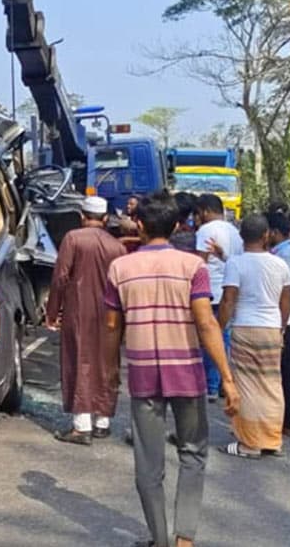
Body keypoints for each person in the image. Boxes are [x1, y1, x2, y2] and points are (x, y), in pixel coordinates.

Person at [103, 192, 238, 547]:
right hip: (188, 375)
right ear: (177, 225)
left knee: (148, 465)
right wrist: (227, 377)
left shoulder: (120, 268)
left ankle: (159, 539)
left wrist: (110, 371)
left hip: (143, 375)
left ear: (141, 226)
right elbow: (207, 323)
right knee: (193, 453)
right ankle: (185, 539)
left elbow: (112, 327)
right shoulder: (193, 267)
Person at [46, 196, 128, 445]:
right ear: (105, 219)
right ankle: (102, 422)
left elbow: (60, 276)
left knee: (80, 359)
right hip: (111, 314)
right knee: (107, 362)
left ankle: (82, 426)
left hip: (79, 310)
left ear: (82, 216)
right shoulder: (118, 246)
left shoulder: (73, 239)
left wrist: (52, 311)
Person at [216, 215, 290, 459]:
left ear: (241, 237)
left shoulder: (236, 264)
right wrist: (280, 328)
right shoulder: (280, 265)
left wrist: (218, 327)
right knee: (271, 384)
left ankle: (249, 443)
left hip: (245, 327)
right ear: (266, 235)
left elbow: (228, 301)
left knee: (247, 385)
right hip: (271, 329)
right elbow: (286, 301)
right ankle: (272, 440)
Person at [194, 193, 243, 401]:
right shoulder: (235, 231)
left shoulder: (206, 230)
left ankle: (211, 384)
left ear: (205, 211)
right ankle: (224, 381)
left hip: (210, 290)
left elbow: (199, 263)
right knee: (225, 336)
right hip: (230, 288)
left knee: (209, 337)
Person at [267, 212, 290, 437]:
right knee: (282, 369)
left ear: (274, 232)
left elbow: (286, 293)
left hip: (288, 317)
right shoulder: (281, 252)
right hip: (285, 315)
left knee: (288, 369)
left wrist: (282, 325)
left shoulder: (287, 255)